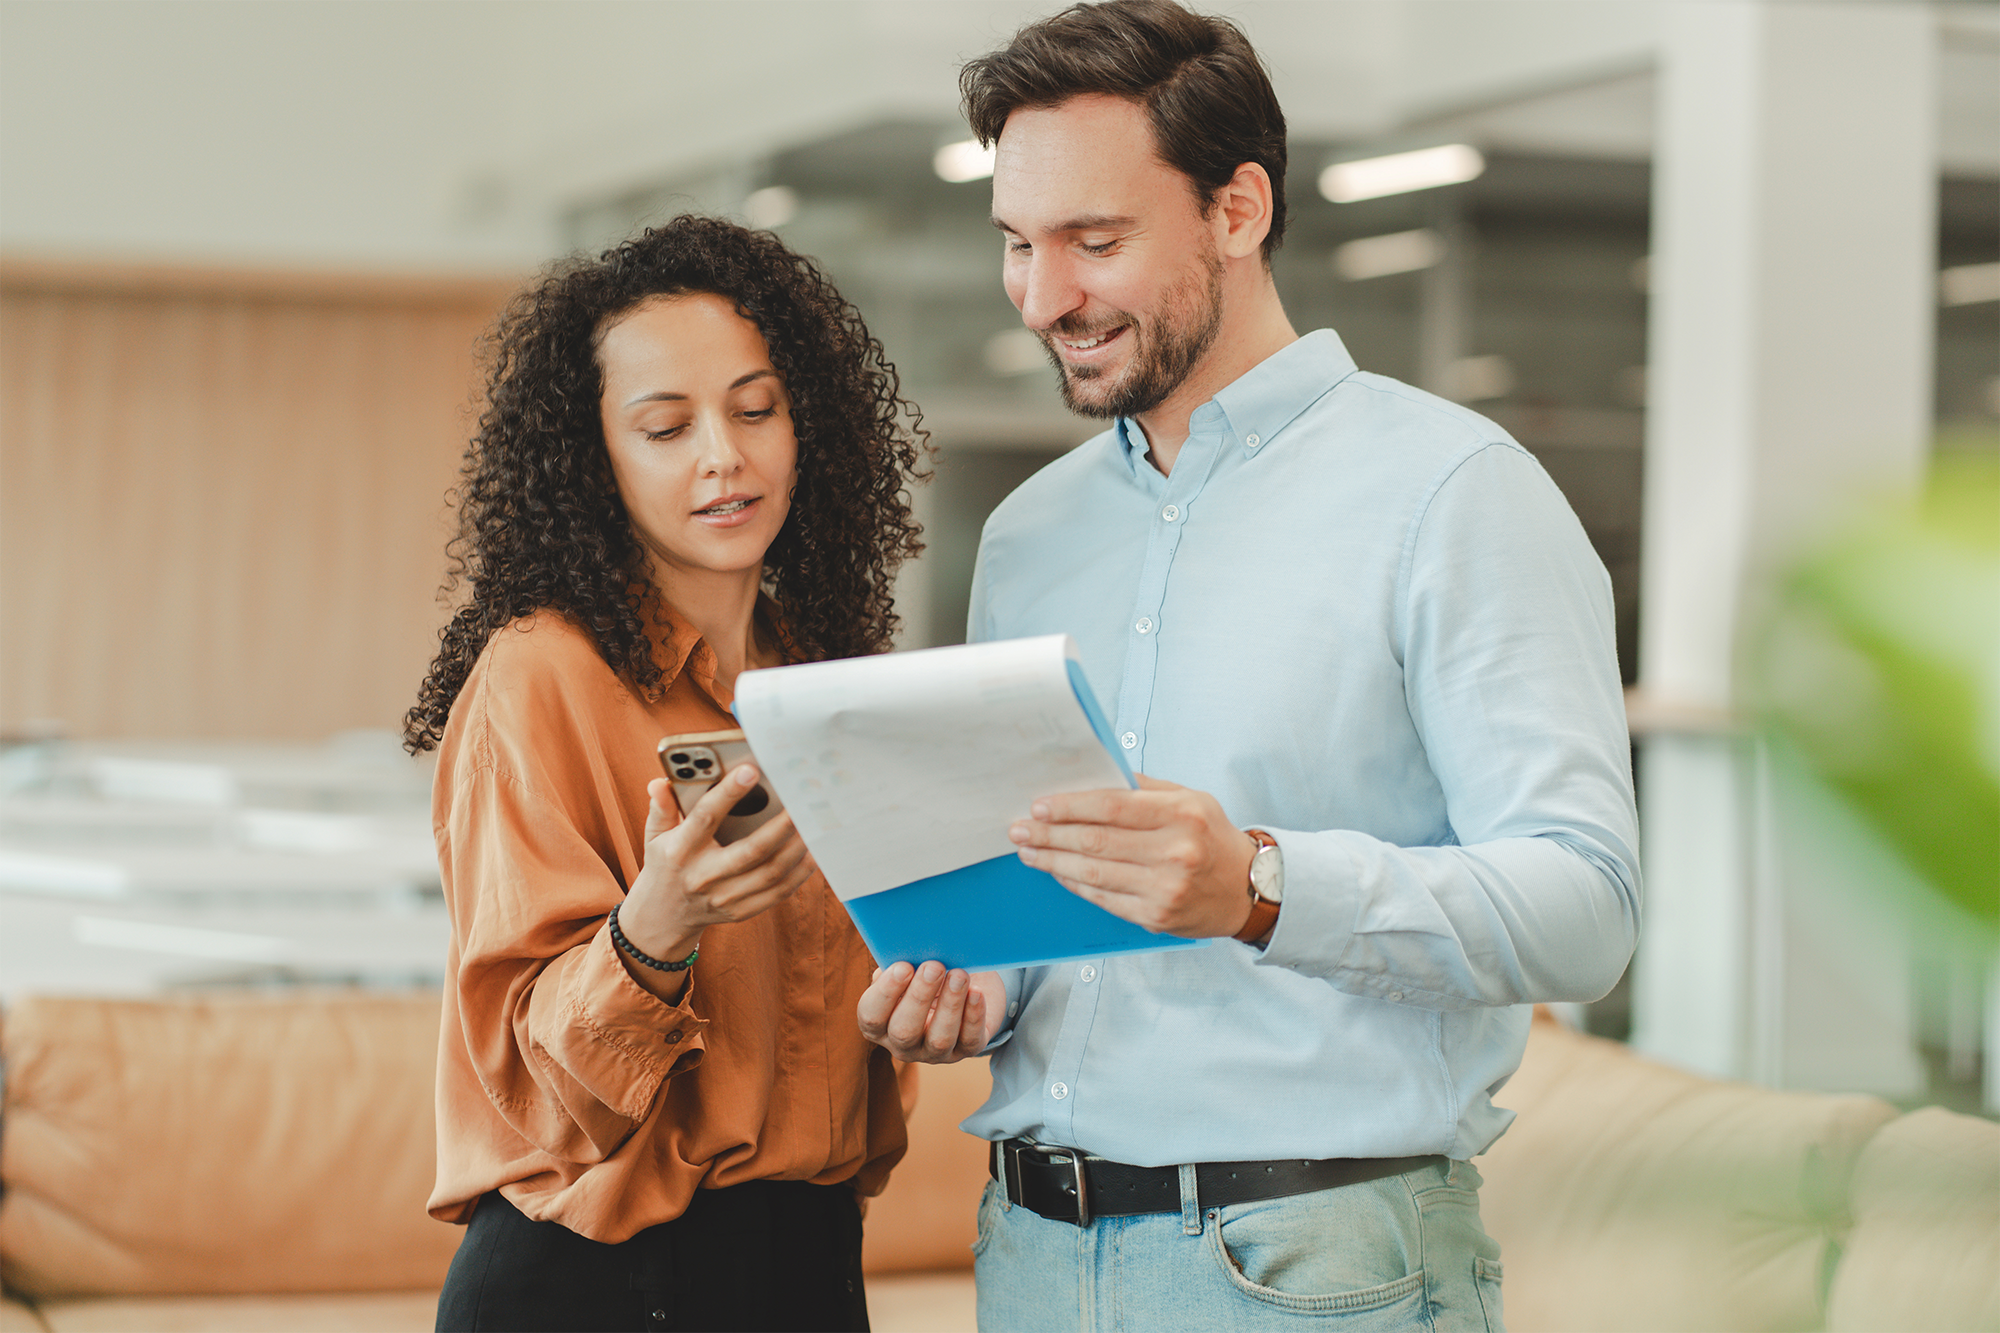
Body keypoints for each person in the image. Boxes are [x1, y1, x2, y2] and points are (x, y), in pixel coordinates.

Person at [856, 2, 1640, 1329]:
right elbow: (1043, 911)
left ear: (1239, 209)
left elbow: (1587, 907)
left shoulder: (1454, 494)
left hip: (1314, 1268)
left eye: (1094, 242)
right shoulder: (1030, 537)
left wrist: (1262, 887)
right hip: (1034, 1254)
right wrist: (979, 991)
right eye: (1018, 245)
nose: (1046, 297)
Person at [405, 215, 930, 1333]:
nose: (723, 457)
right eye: (664, 426)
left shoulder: (829, 677)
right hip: (594, 1282)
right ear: (592, 458)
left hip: (810, 1261)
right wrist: (657, 924)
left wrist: (936, 993)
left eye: (754, 410)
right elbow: (537, 1096)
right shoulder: (536, 676)